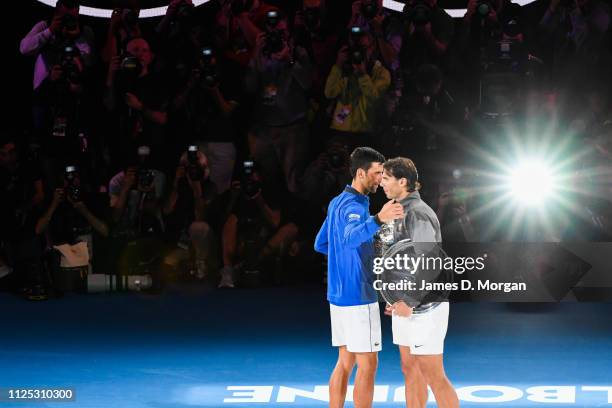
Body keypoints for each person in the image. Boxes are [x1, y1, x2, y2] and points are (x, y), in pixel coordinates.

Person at [314, 147, 404, 408]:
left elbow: (322, 243)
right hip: (358, 296)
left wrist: (355, 256)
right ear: (361, 173)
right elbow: (351, 237)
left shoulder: (337, 202)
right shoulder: (355, 206)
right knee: (368, 364)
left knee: (345, 361)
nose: (380, 179)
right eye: (377, 173)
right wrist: (379, 219)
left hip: (338, 295)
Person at [379, 157, 459, 408]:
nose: (380, 182)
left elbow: (430, 262)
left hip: (425, 307)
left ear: (402, 181)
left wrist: (410, 302)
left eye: (386, 178)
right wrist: (394, 298)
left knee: (432, 374)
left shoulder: (418, 212)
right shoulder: (395, 209)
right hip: (405, 304)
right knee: (409, 368)